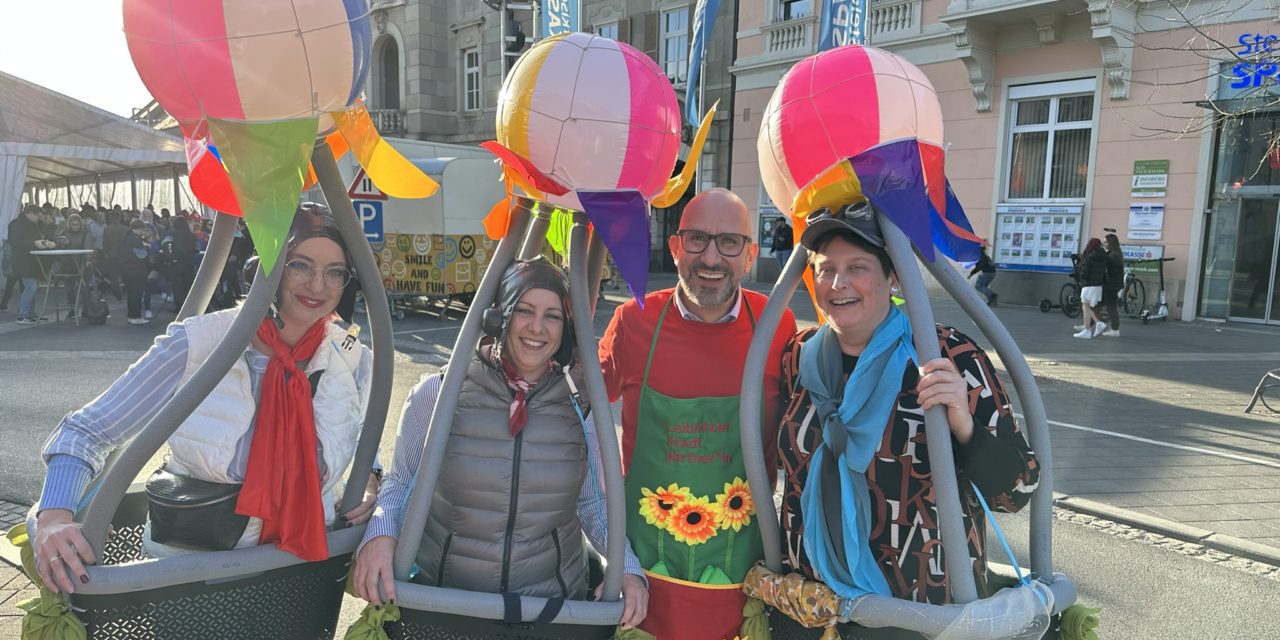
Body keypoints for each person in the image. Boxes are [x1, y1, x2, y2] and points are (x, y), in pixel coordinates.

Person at [32, 203, 378, 594]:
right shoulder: (197, 344)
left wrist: (370, 482)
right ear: (266, 267)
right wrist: (54, 518)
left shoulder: (351, 358)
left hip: (299, 574)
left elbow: (358, 428)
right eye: (300, 265)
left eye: (334, 273)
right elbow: (86, 431)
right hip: (195, 577)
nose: (317, 285)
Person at [353, 258, 649, 629]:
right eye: (524, 310)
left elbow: (593, 504)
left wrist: (628, 569)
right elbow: (400, 483)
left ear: (567, 328)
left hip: (549, 612)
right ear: (498, 316)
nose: (537, 327)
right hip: (449, 607)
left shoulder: (579, 407)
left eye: (552, 315)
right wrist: (380, 536)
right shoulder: (439, 394)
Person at [776, 202, 1040, 606]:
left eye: (858, 267)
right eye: (826, 269)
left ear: (893, 276)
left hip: (919, 614)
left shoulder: (948, 355)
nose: (837, 283)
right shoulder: (799, 355)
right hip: (812, 605)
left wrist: (965, 428)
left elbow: (1019, 490)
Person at [598, 188, 797, 640]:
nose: (711, 257)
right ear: (674, 248)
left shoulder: (778, 325)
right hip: (641, 589)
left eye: (728, 242)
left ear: (750, 255)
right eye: (696, 240)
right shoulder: (633, 321)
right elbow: (572, 408)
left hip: (742, 587)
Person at [10, 204, 57, 324]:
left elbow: (38, 238)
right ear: (30, 213)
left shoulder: (34, 224)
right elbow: (15, 242)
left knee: (33, 288)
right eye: (38, 216)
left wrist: (44, 243)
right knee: (31, 287)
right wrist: (34, 243)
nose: (39, 219)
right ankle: (22, 315)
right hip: (23, 261)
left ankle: (30, 314)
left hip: (33, 260)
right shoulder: (16, 224)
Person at [1073, 238, 1107, 339]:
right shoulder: (1103, 256)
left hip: (1088, 284)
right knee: (1086, 305)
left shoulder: (1089, 256)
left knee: (1085, 305)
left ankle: (1089, 328)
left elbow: (1084, 271)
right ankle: (1094, 325)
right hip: (1098, 285)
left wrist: (1082, 280)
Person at [1100, 234, 1124, 337]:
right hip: (1113, 283)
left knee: (1111, 307)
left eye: (1105, 242)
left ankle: (1115, 329)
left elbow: (1108, 268)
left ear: (1111, 243)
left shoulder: (1113, 255)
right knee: (1102, 304)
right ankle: (1090, 324)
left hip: (1111, 284)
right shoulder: (1115, 253)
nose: (1103, 244)